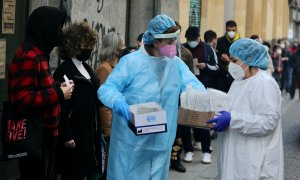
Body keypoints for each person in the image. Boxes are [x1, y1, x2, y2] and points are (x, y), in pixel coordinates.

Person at [97, 14, 206, 180]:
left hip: (162, 143)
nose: (174, 46)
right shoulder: (131, 62)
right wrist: (119, 104)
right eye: (169, 42)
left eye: (174, 41)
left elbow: (195, 87)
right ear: (156, 42)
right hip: (131, 144)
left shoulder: (175, 64)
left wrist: (195, 97)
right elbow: (107, 89)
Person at [7, 6, 73, 180]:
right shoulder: (29, 56)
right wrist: (59, 93)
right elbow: (22, 99)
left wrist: (60, 86)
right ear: (45, 28)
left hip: (44, 135)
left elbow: (40, 86)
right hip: (34, 136)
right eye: (57, 28)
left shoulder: (38, 53)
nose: (60, 33)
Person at [207, 38, 283, 180]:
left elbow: (268, 122)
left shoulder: (265, 84)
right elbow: (233, 109)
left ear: (249, 60)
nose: (231, 65)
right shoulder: (239, 82)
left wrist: (232, 119)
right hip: (234, 156)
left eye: (234, 61)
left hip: (254, 161)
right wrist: (219, 118)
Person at [53, 22, 102, 180]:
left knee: (86, 172)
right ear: (74, 44)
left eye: (90, 44)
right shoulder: (64, 70)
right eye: (85, 43)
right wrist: (66, 135)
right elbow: (61, 106)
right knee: (73, 174)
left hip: (89, 131)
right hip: (75, 134)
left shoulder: (86, 67)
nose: (88, 48)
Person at [181, 26, 215, 164]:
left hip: (202, 90)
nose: (192, 42)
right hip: (186, 91)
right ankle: (188, 150)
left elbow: (216, 67)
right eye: (189, 40)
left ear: (198, 37)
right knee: (185, 122)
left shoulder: (207, 48)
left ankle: (206, 152)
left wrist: (205, 66)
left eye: (193, 39)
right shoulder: (182, 49)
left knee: (203, 122)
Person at [95, 31, 126, 176]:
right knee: (107, 165)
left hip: (119, 123)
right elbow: (103, 104)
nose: (124, 46)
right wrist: (108, 130)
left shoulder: (118, 66)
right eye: (122, 43)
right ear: (115, 47)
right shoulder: (104, 69)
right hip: (110, 127)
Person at [216, 20, 241, 92]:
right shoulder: (220, 41)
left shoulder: (240, 42)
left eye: (233, 30)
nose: (231, 32)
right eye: (229, 30)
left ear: (236, 29)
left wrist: (229, 61)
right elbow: (217, 59)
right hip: (222, 75)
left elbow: (241, 60)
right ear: (226, 30)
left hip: (236, 76)